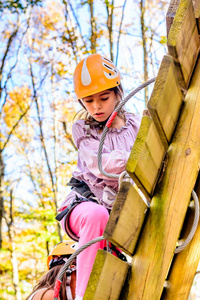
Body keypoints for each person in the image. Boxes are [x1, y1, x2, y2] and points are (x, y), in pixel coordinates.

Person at [57, 53, 141, 300]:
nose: (96, 107)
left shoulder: (138, 125)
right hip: (84, 206)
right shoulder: (83, 130)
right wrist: (138, 161)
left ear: (118, 92)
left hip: (120, 215)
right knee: (97, 215)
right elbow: (101, 165)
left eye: (104, 98)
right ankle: (85, 296)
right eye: (88, 101)